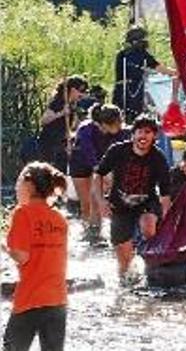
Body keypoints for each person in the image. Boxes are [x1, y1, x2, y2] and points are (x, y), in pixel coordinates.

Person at [93, 115, 171, 281]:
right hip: (120, 204)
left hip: (146, 202)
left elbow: (165, 194)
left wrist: (166, 221)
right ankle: (126, 283)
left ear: (154, 136)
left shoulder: (159, 158)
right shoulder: (118, 150)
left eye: (148, 132)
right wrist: (101, 202)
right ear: (133, 134)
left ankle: (150, 263)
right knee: (124, 262)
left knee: (148, 225)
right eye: (140, 132)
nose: (143, 136)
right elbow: (98, 175)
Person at [2, 162, 68, 351]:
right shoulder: (59, 218)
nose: (16, 187)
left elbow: (22, 257)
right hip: (58, 301)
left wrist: (4, 247)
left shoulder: (23, 213)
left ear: (28, 185)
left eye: (18, 181)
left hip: (30, 299)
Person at [68, 103, 126, 232]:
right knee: (86, 203)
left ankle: (96, 231)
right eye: (117, 124)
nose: (120, 126)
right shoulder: (85, 130)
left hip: (102, 163)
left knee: (96, 199)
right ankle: (86, 229)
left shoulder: (120, 132)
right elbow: (88, 153)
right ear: (104, 124)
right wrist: (103, 173)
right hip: (80, 164)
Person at [112, 26, 176, 123]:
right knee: (130, 115)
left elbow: (155, 67)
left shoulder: (123, 54)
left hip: (129, 90)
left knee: (125, 116)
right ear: (135, 41)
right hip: (129, 91)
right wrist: (175, 73)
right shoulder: (132, 54)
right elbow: (159, 67)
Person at [37, 75, 89, 172]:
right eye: (81, 91)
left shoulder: (73, 105)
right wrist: (61, 113)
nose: (82, 95)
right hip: (50, 143)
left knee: (61, 172)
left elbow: (74, 126)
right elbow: (44, 120)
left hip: (61, 143)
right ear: (73, 90)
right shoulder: (58, 102)